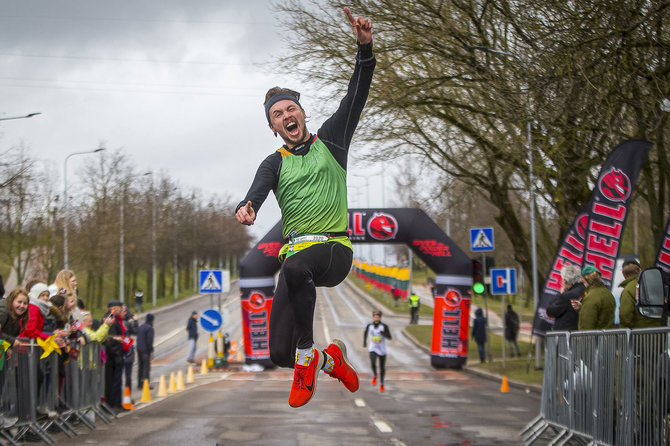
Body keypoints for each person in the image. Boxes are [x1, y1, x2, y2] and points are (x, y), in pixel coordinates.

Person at [234, 8, 374, 408]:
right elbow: (256, 192)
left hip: (333, 251)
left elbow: (357, 93)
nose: (286, 116)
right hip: (297, 256)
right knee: (275, 350)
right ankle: (328, 359)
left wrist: (364, 48)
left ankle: (304, 360)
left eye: (289, 109)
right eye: (277, 115)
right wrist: (247, 207)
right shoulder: (274, 161)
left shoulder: (332, 140)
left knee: (294, 267)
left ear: (302, 112)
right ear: (273, 127)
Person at [618, 260, 660, 329]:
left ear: (623, 274)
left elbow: (625, 315)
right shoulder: (654, 285)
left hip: (639, 335)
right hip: (659, 333)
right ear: (640, 270)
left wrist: (623, 333)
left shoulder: (628, 290)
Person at [576, 265, 616, 330]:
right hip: (608, 337)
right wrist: (581, 308)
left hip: (595, 338)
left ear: (583, 279)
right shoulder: (608, 294)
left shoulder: (590, 297)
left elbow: (586, 326)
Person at [546, 263, 584, 331]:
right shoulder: (586, 290)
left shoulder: (566, 296)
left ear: (565, 281)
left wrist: (560, 294)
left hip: (567, 336)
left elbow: (550, 311)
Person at [103, 300, 126, 411]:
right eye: (120, 307)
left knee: (116, 381)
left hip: (114, 355)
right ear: (114, 308)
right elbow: (111, 339)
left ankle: (116, 403)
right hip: (112, 357)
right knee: (112, 382)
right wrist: (117, 355)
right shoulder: (110, 319)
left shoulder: (115, 319)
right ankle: (112, 404)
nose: (121, 309)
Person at [363, 310, 392, 392]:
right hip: (373, 348)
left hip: (382, 350)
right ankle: (375, 375)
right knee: (372, 363)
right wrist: (364, 342)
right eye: (375, 316)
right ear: (373, 317)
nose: (376, 318)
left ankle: (382, 383)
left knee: (382, 368)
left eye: (378, 317)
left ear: (380, 318)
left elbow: (389, 337)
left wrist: (384, 334)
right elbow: (365, 333)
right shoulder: (369, 326)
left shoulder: (384, 326)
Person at [121, 305, 138, 392]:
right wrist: (135, 321)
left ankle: (119, 398)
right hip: (127, 353)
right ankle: (127, 396)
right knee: (127, 376)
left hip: (121, 353)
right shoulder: (127, 323)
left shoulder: (118, 323)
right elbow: (136, 331)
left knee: (120, 376)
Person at [136, 313, 154, 390]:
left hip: (139, 349)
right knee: (146, 367)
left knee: (140, 367)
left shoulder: (141, 327)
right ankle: (145, 383)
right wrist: (151, 350)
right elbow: (149, 341)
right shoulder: (150, 328)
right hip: (146, 350)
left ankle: (140, 384)